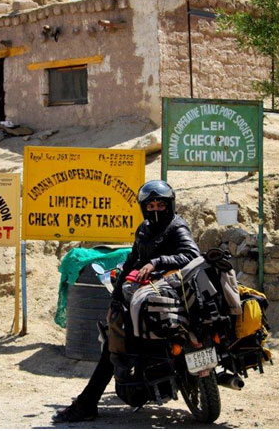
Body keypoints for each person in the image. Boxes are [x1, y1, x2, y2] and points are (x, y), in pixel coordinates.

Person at [52, 179, 201, 423]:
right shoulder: (143, 229)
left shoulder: (177, 227)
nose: (155, 210)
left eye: (160, 206)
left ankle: (87, 404)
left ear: (169, 206)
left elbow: (191, 255)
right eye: (150, 206)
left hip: (167, 300)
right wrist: (114, 301)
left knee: (114, 346)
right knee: (115, 338)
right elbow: (132, 260)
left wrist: (157, 262)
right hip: (142, 298)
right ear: (144, 208)